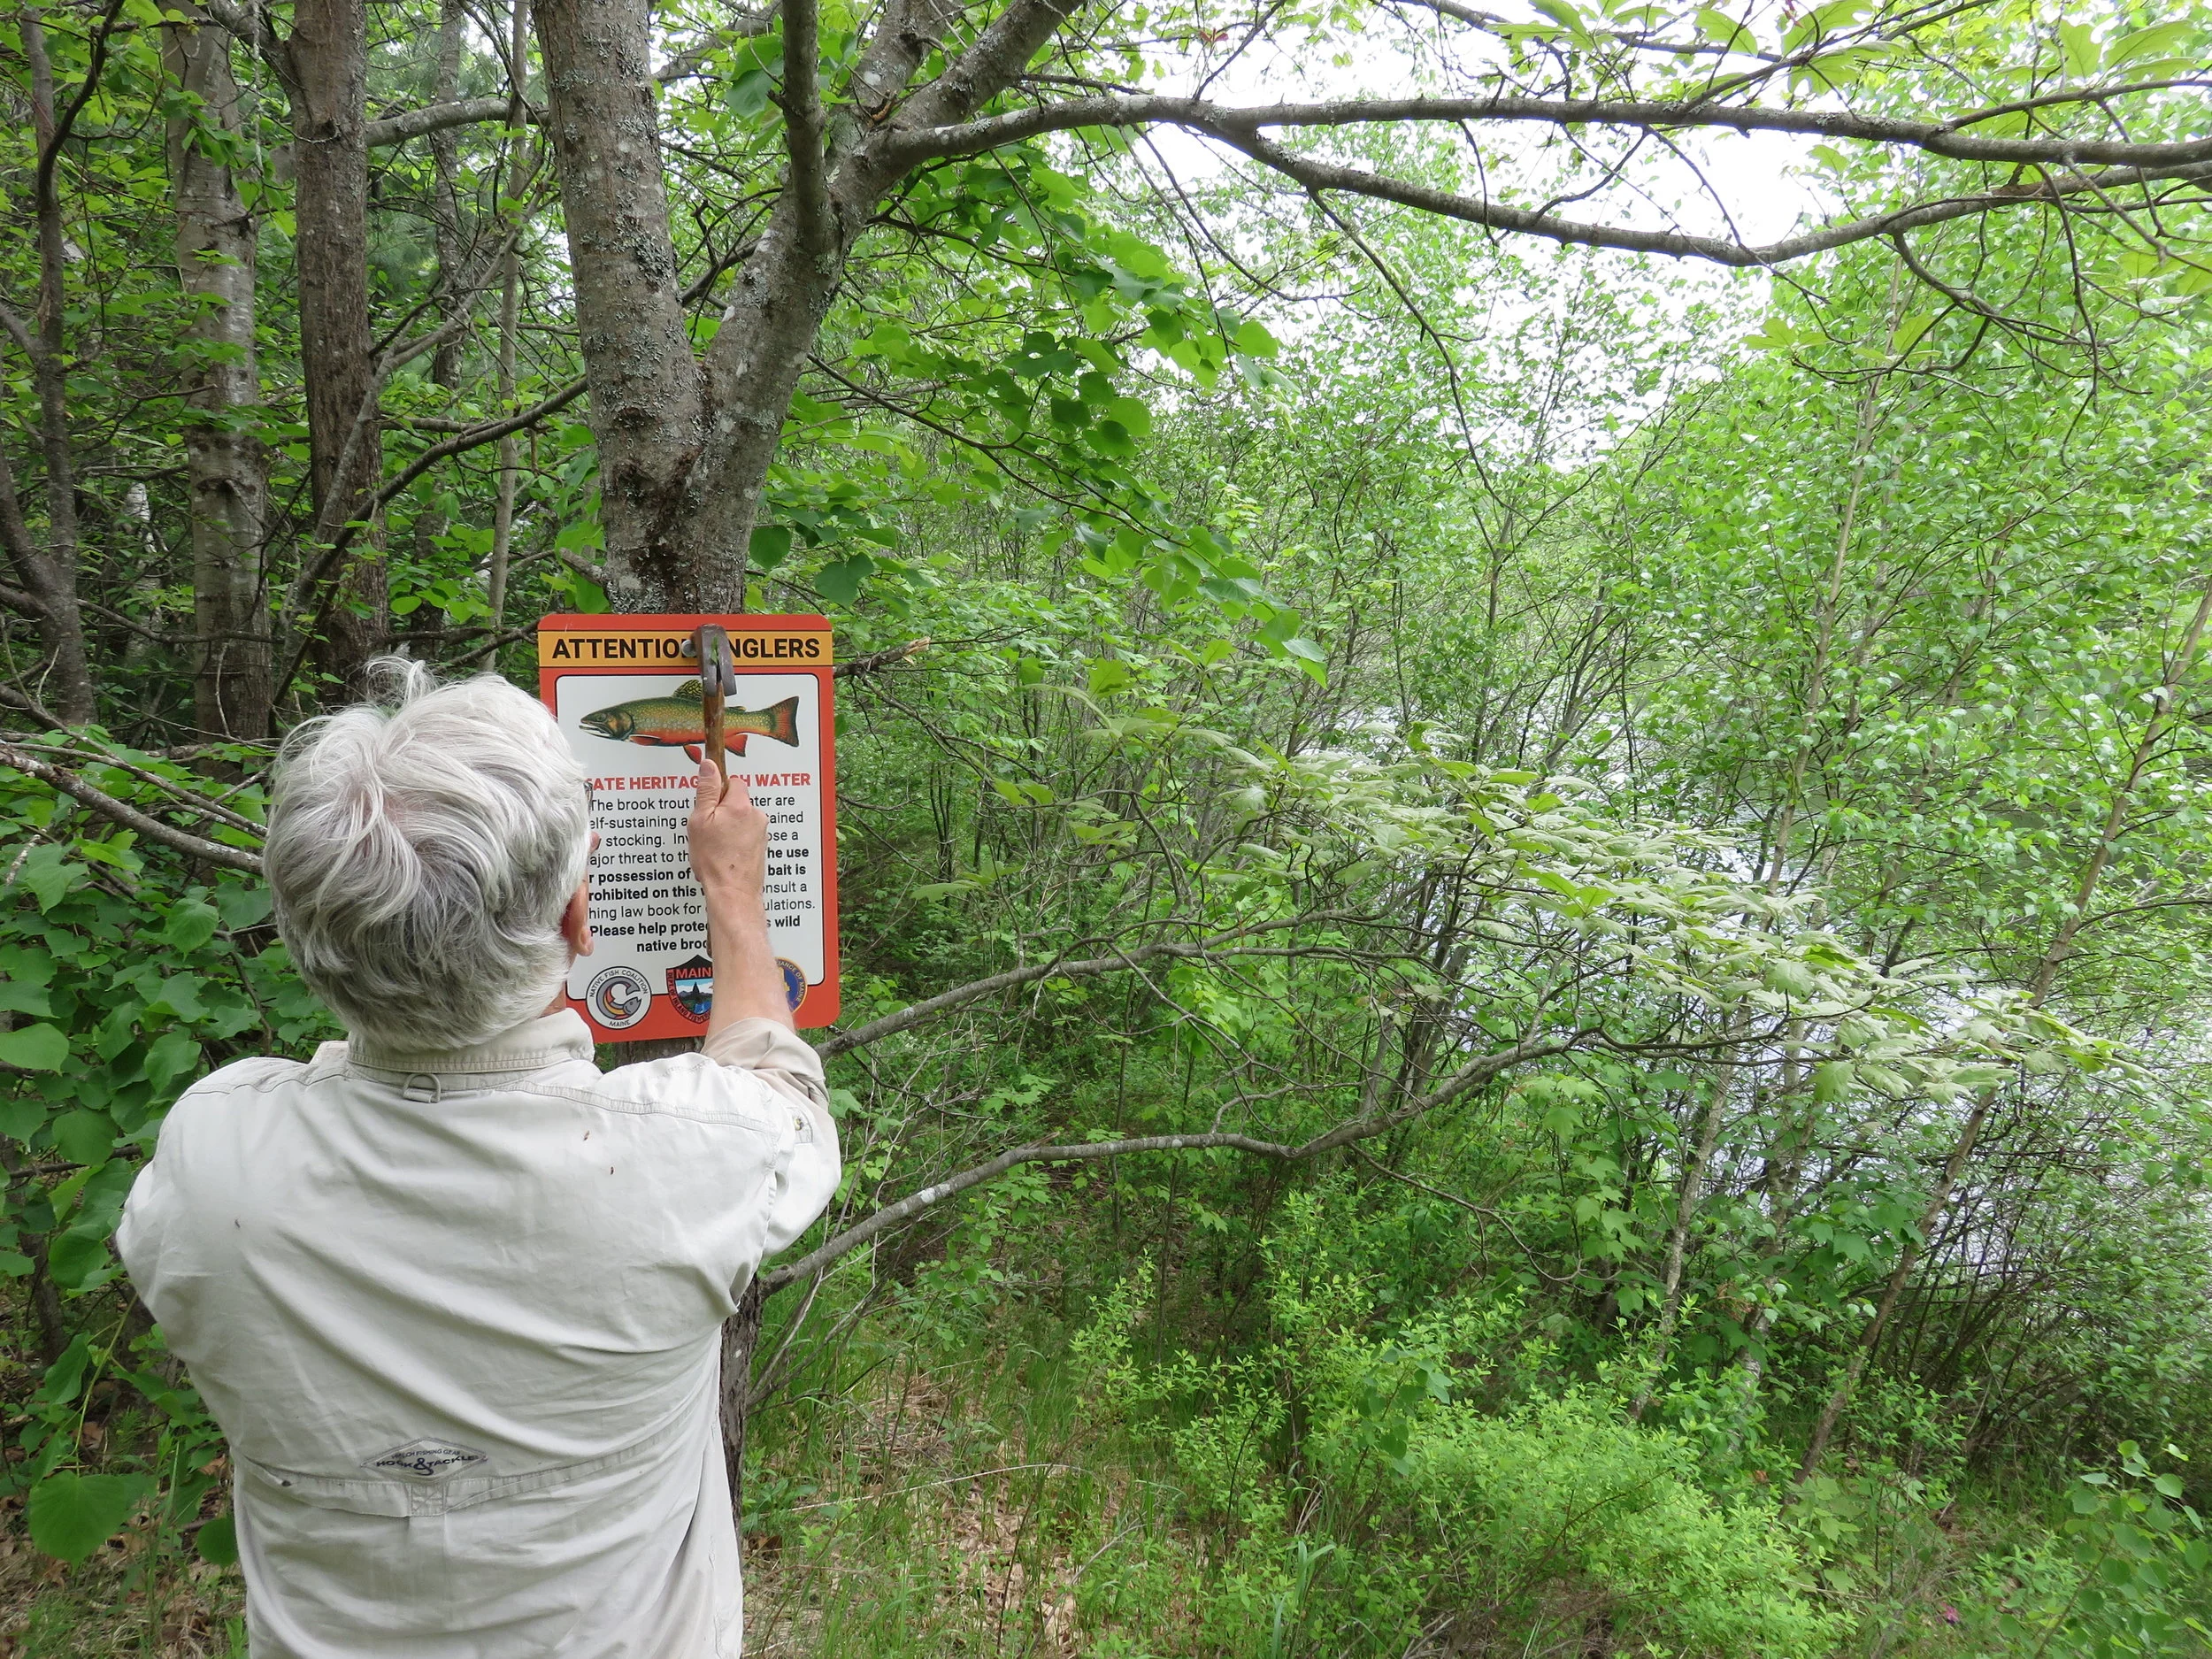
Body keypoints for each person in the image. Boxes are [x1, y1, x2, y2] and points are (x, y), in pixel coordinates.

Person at [117, 660, 840, 1658]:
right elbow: (779, 1087)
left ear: (307, 935)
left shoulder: (213, 1159)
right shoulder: (689, 1158)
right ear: (579, 919)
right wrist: (734, 892)